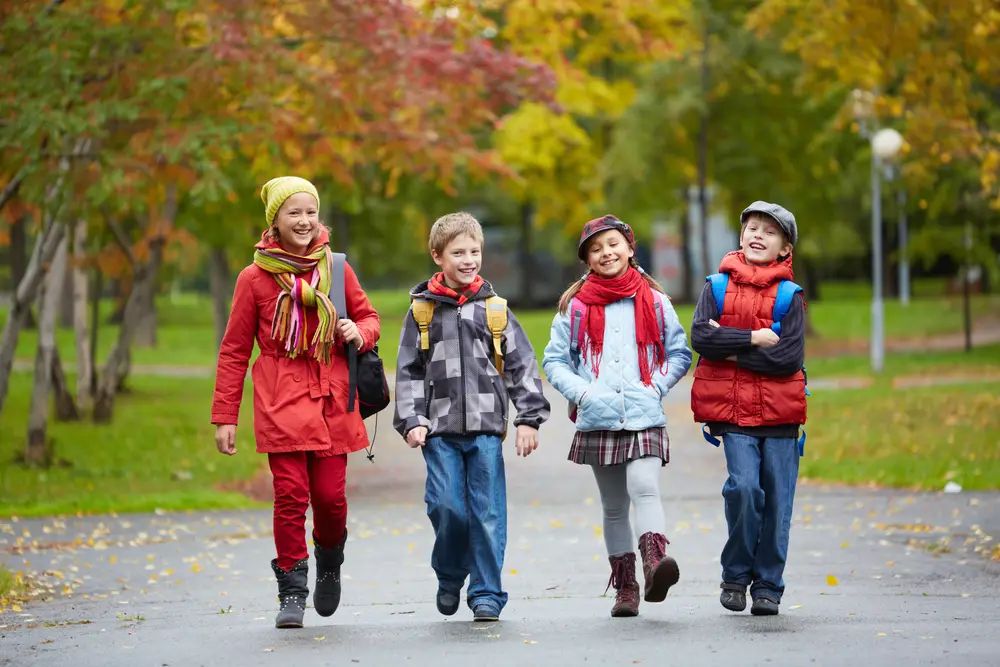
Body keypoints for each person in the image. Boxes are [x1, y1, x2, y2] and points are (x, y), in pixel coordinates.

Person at [211, 176, 380, 628]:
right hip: (280, 395)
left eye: (310, 212)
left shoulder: (337, 267)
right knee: (290, 495)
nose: (304, 221)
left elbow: (369, 317)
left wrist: (357, 332)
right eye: (294, 213)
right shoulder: (254, 278)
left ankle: (330, 558)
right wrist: (225, 416)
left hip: (332, 394)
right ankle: (291, 588)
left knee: (330, 498)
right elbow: (233, 349)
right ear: (276, 220)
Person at [393, 212, 551, 622]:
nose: (468, 259)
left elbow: (521, 365)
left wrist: (528, 418)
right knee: (447, 508)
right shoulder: (422, 313)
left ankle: (487, 593)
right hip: (438, 431)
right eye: (458, 252)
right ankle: (449, 574)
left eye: (474, 251)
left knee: (487, 513)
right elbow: (408, 370)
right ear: (437, 256)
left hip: (485, 430)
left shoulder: (495, 310)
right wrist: (412, 419)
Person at [542, 215, 692, 618]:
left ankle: (654, 564)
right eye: (596, 248)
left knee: (644, 485)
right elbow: (555, 362)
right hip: (598, 416)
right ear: (587, 259)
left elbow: (679, 353)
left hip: (644, 412)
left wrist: (655, 386)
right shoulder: (574, 306)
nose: (606, 252)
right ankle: (625, 588)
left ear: (629, 248)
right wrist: (584, 393)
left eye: (613, 244)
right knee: (612, 505)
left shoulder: (655, 300)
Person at [690, 201, 807, 616]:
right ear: (740, 237)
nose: (758, 235)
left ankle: (768, 585)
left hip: (781, 417)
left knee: (777, 503)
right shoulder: (716, 287)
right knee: (744, 489)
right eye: (752, 228)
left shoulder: (791, 296)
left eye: (770, 232)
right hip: (733, 414)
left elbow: (788, 359)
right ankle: (736, 575)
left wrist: (731, 347)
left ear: (784, 249)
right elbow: (702, 338)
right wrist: (755, 339)